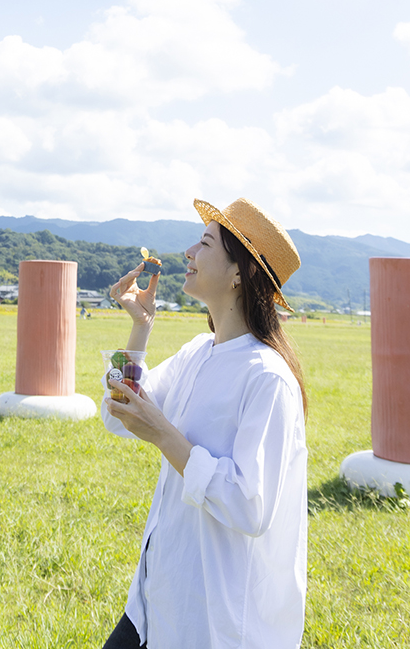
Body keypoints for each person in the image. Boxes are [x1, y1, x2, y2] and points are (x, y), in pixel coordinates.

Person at [101, 198, 308, 649]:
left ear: (241, 273)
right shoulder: (198, 350)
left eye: (205, 242)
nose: (189, 253)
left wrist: (164, 435)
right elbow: (118, 415)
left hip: (213, 621)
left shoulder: (267, 378)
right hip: (154, 600)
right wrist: (140, 328)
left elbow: (249, 505)